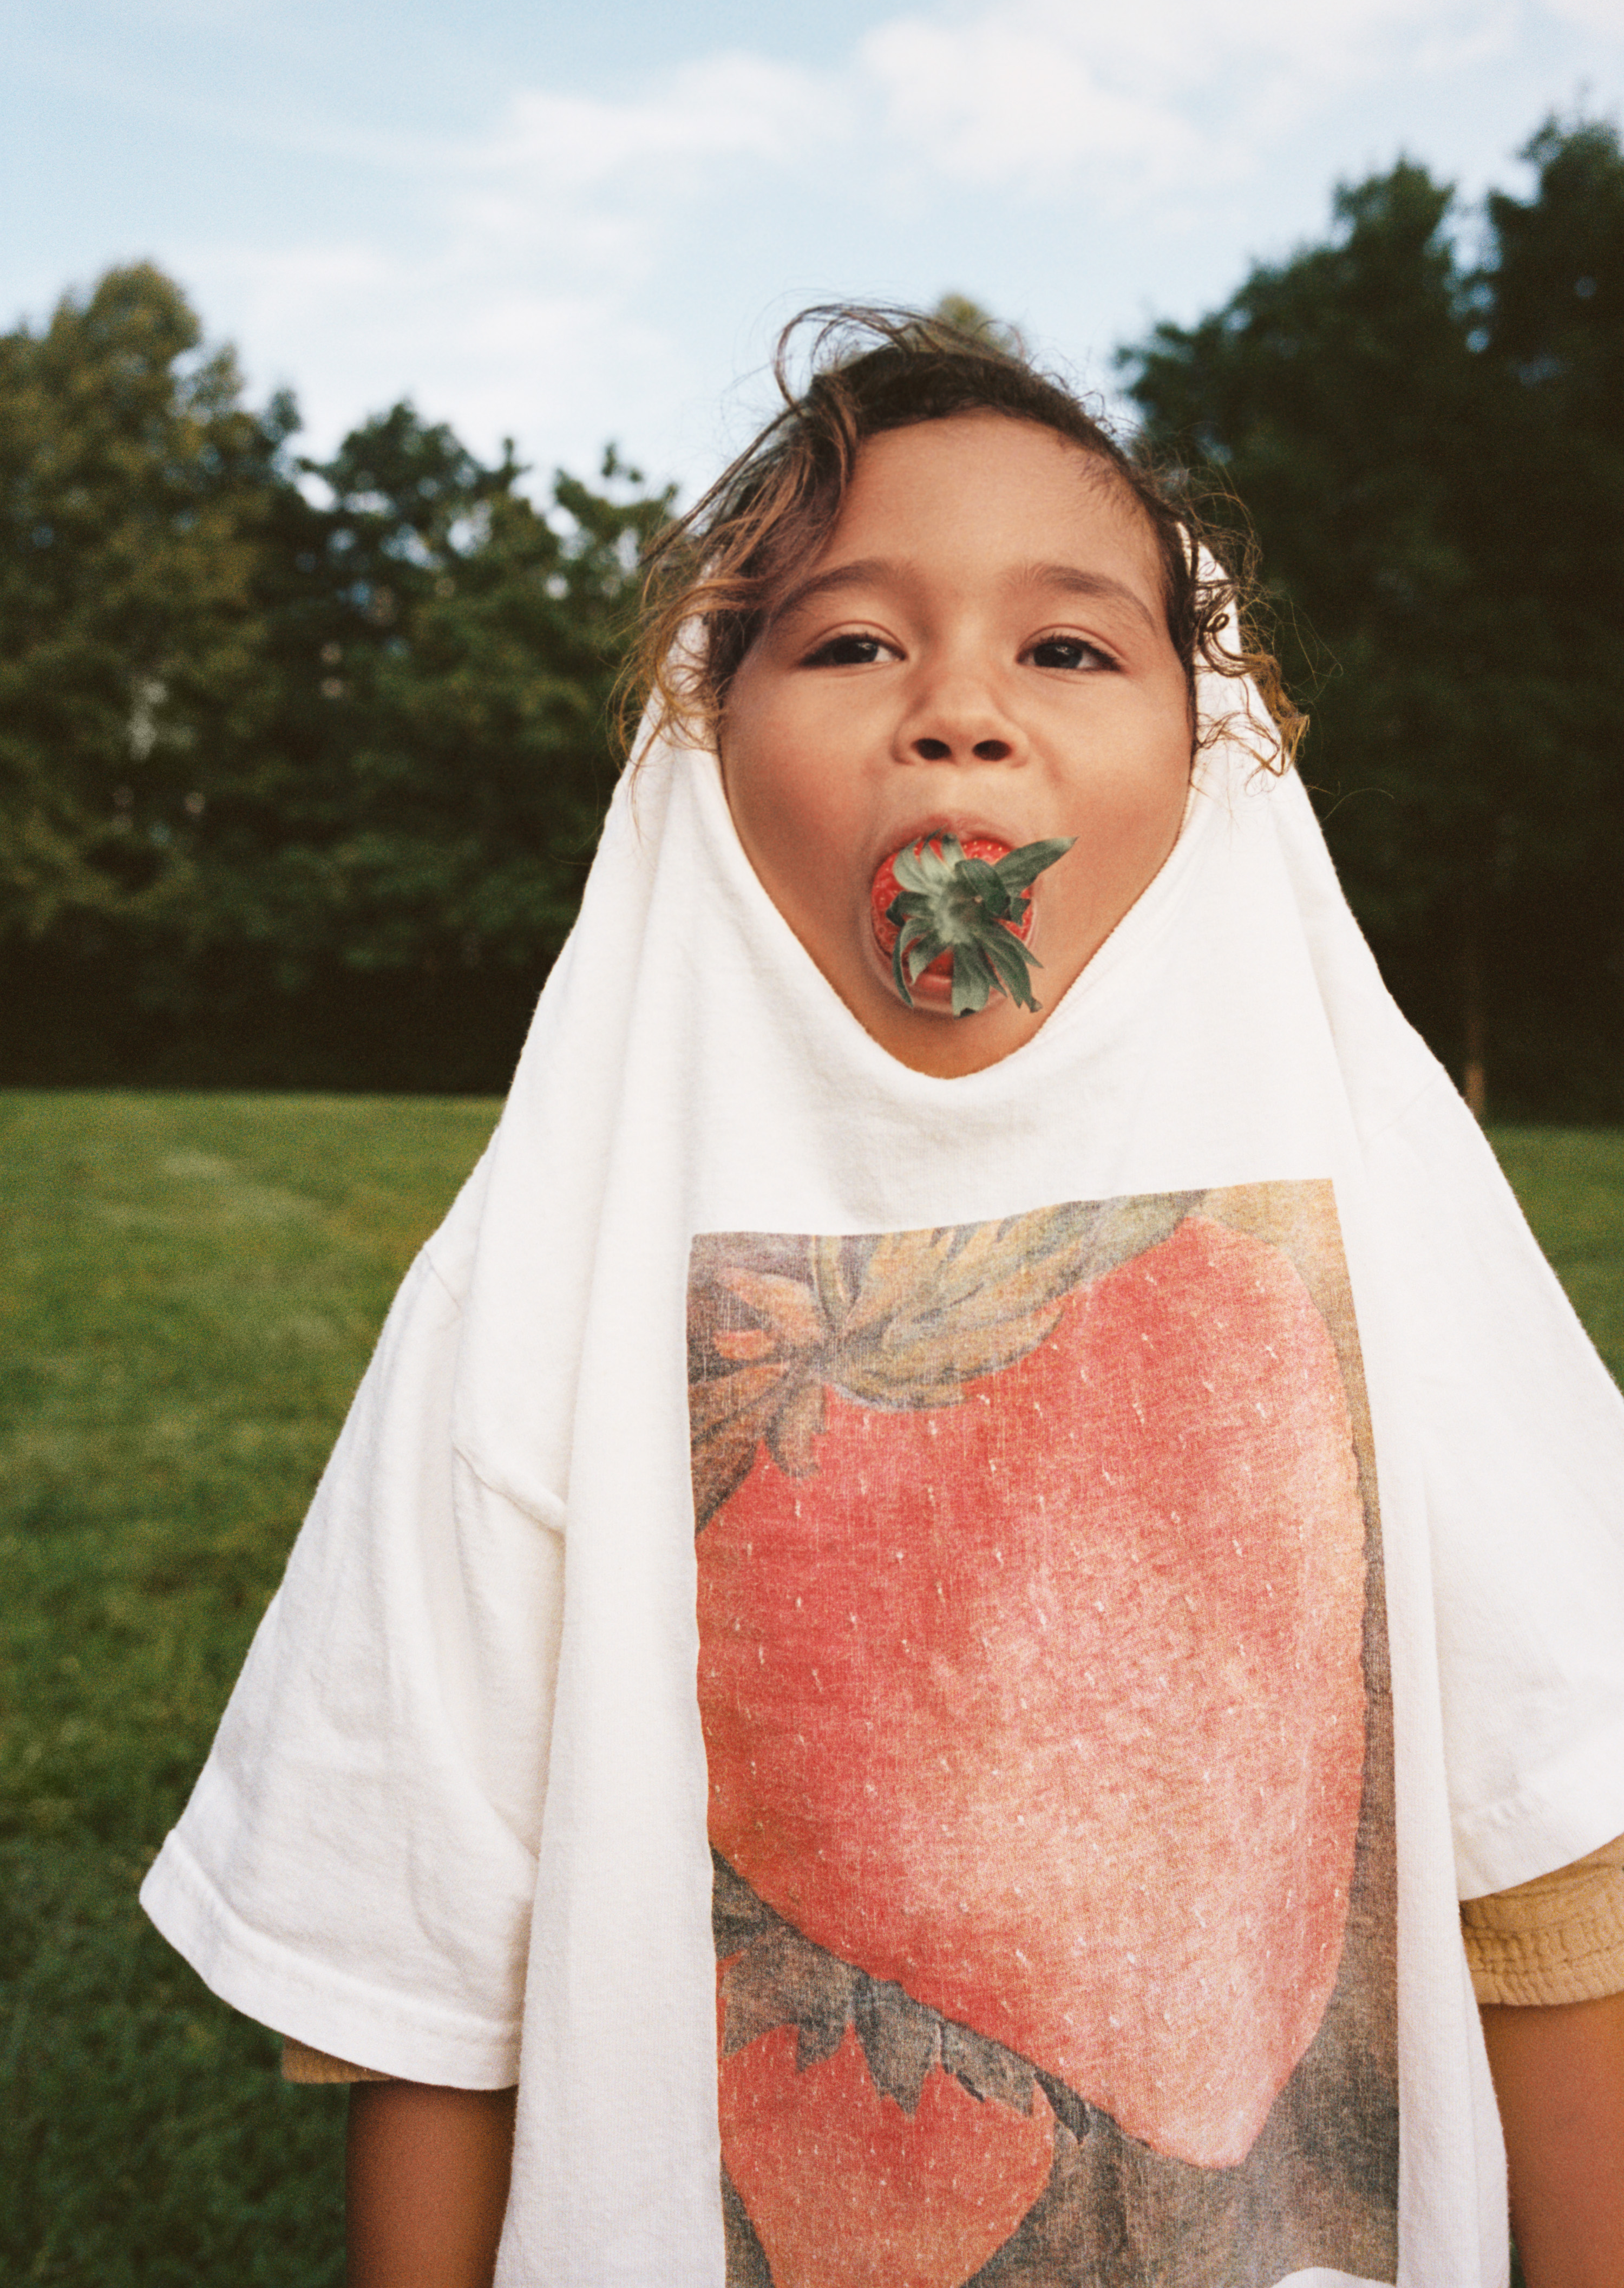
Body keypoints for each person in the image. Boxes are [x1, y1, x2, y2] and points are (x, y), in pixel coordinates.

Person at [141, 310, 1624, 2288]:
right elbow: (430, 1969)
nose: (959, 710)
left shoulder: (1394, 1224)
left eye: (1069, 647)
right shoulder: (537, 1285)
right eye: (851, 643)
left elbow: (1558, 1859)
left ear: (1211, 756)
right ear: (704, 744)